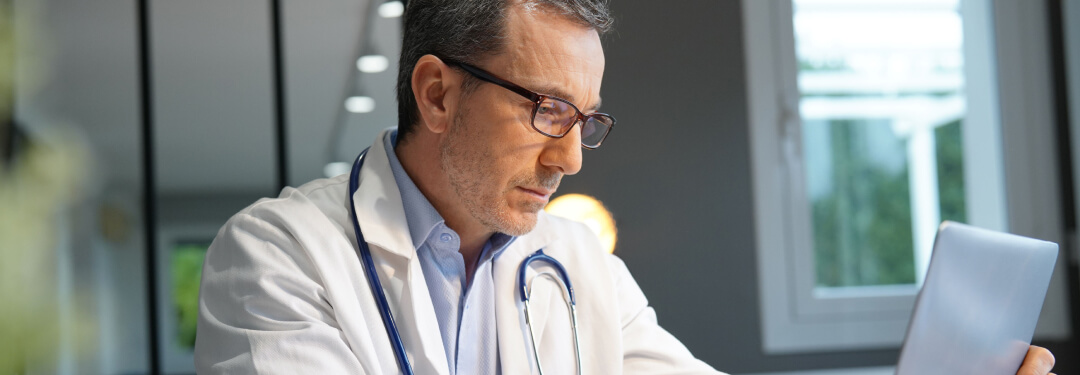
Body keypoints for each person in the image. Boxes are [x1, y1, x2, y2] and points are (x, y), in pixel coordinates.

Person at [193, 0, 1058, 374]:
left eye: (588, 119)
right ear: (437, 92)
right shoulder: (277, 257)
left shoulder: (572, 261)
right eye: (546, 111)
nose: (572, 160)